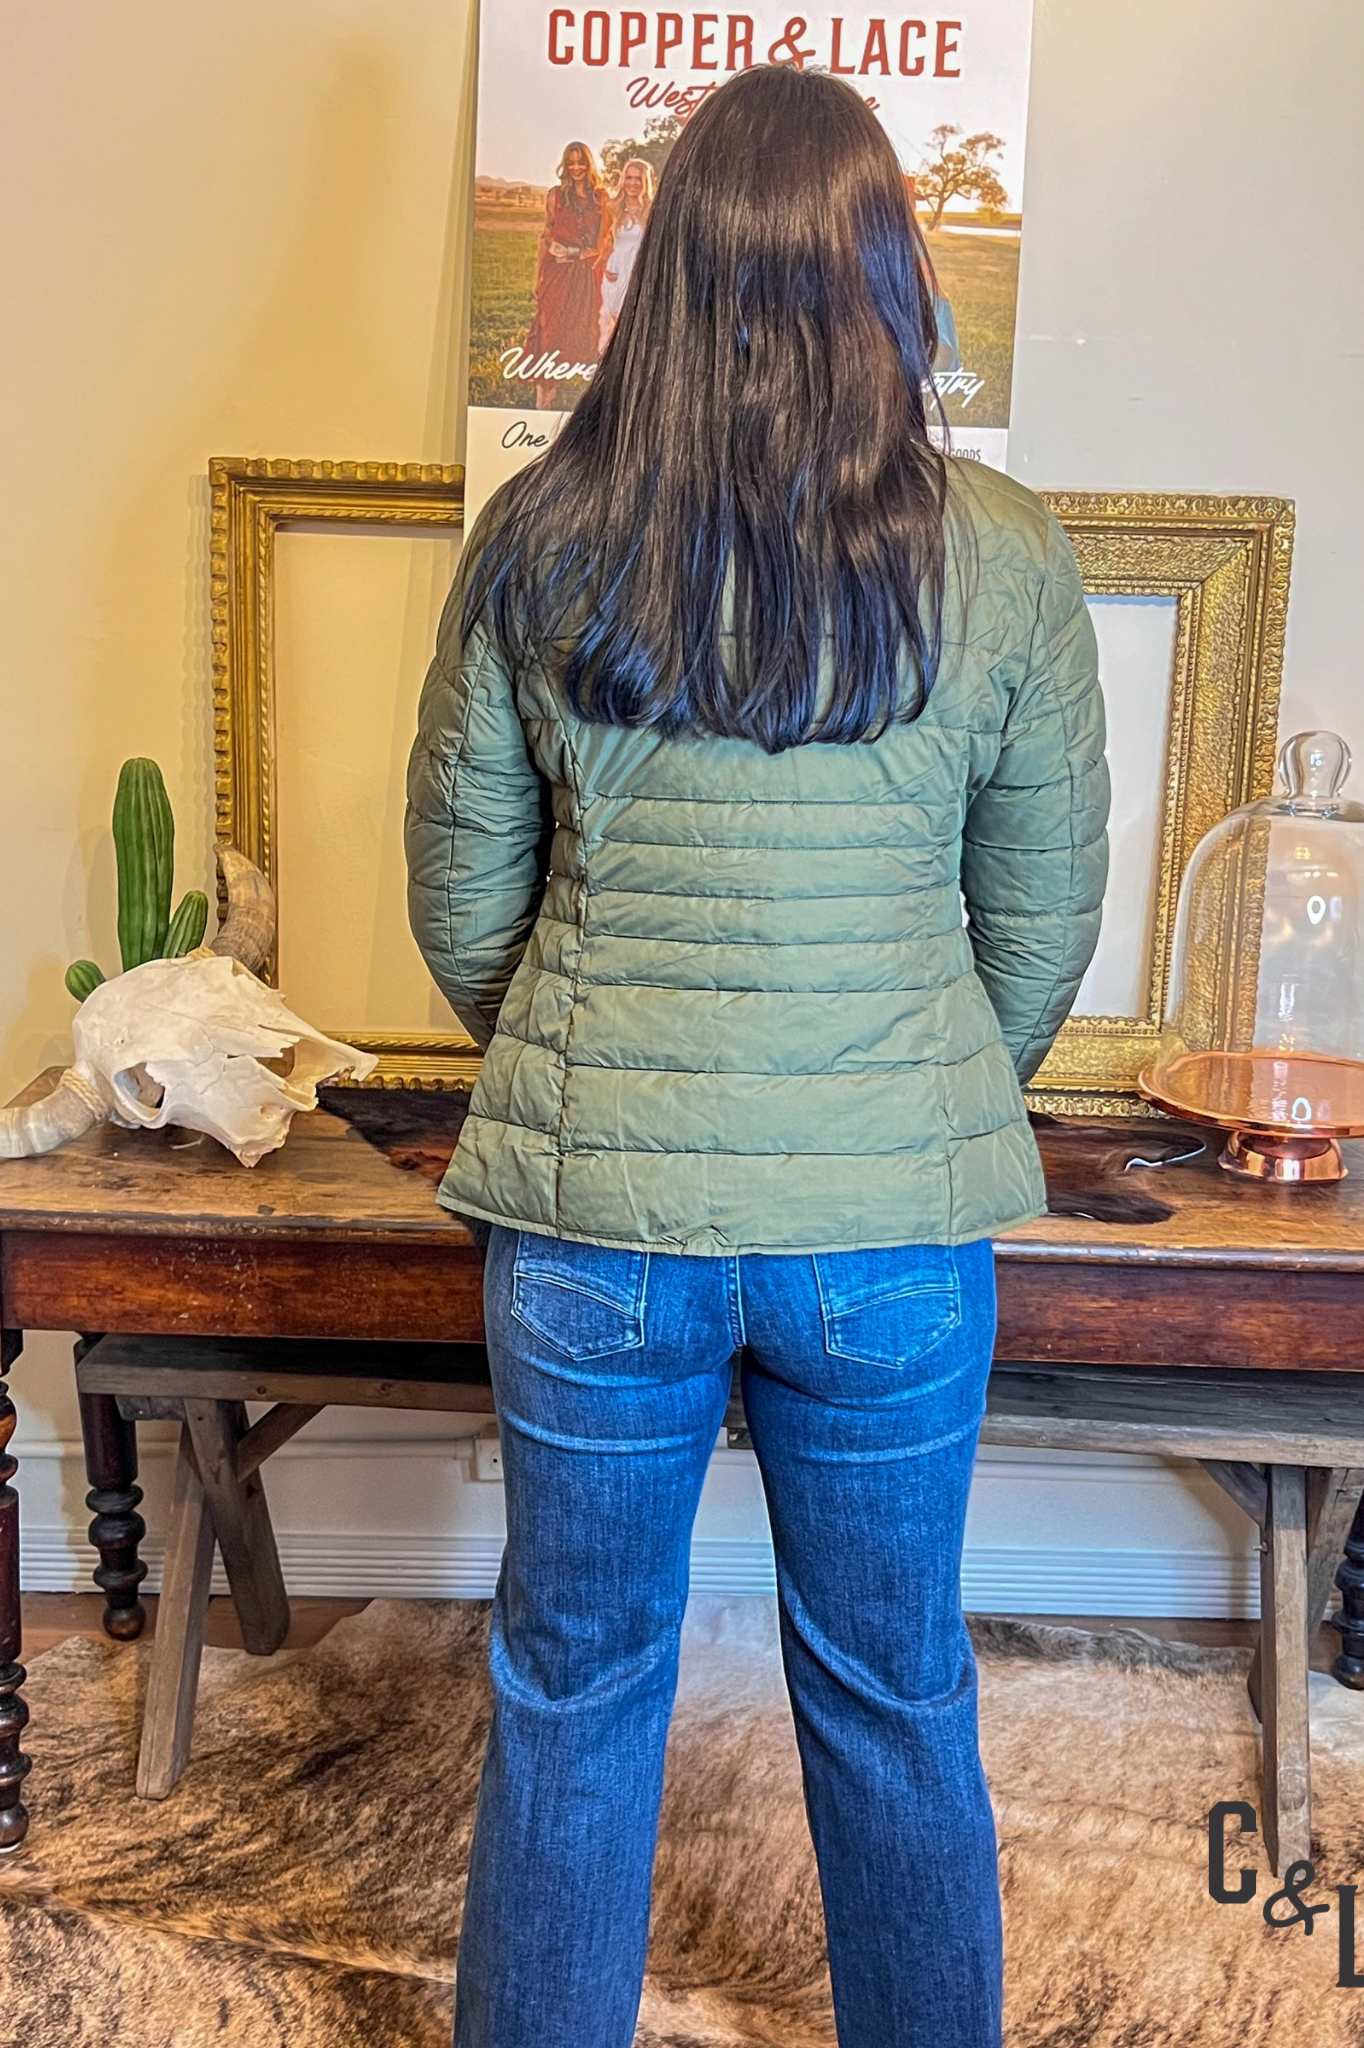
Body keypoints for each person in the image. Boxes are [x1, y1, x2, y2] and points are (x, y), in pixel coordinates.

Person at [406, 63, 1108, 2048]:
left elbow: (464, 895)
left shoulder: (540, 535)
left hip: (589, 1228)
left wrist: (585, 1059)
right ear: (888, 273)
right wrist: (911, 1090)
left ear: (671, 270)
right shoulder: (1005, 552)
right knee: (894, 1682)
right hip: (890, 1232)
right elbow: (1035, 925)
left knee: (572, 1680)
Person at [522, 141, 606, 409]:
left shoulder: (601, 198)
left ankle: (589, 400)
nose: (577, 167)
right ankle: (545, 395)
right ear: (566, 166)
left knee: (586, 331)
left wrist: (578, 254)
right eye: (572, 163)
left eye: (581, 162)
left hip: (587, 274)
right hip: (557, 272)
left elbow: (605, 243)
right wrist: (538, 277)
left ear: (589, 164)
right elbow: (546, 236)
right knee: (550, 328)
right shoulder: (555, 196)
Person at [597, 155, 655, 353]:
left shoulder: (652, 209)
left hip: (641, 272)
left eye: (638, 178)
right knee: (613, 321)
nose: (633, 183)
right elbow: (604, 241)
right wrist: (606, 267)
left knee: (638, 321)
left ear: (644, 181)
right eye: (629, 178)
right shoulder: (612, 208)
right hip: (617, 271)